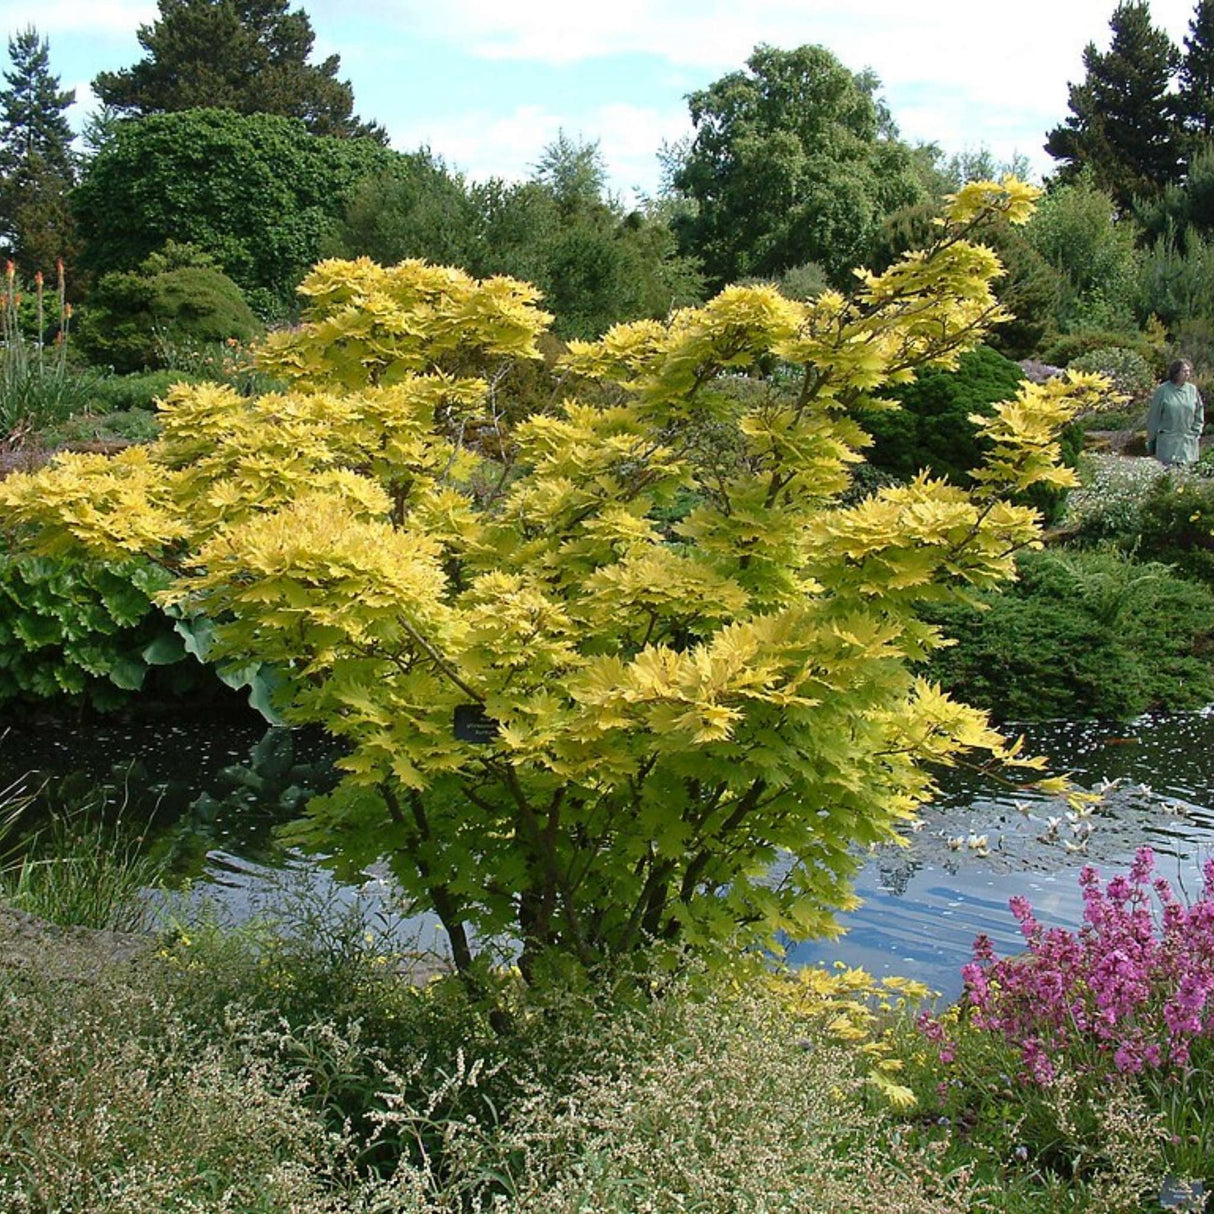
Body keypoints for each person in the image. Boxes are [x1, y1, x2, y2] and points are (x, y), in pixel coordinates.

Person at [1146, 359, 1204, 466]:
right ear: (1175, 372)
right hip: (1168, 442)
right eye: (1184, 371)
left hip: (1187, 441)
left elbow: (1199, 411)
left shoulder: (1192, 390)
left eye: (1189, 371)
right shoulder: (1163, 390)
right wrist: (1151, 439)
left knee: (1186, 476)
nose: (1187, 374)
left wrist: (1196, 430)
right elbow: (1154, 416)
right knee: (1169, 476)